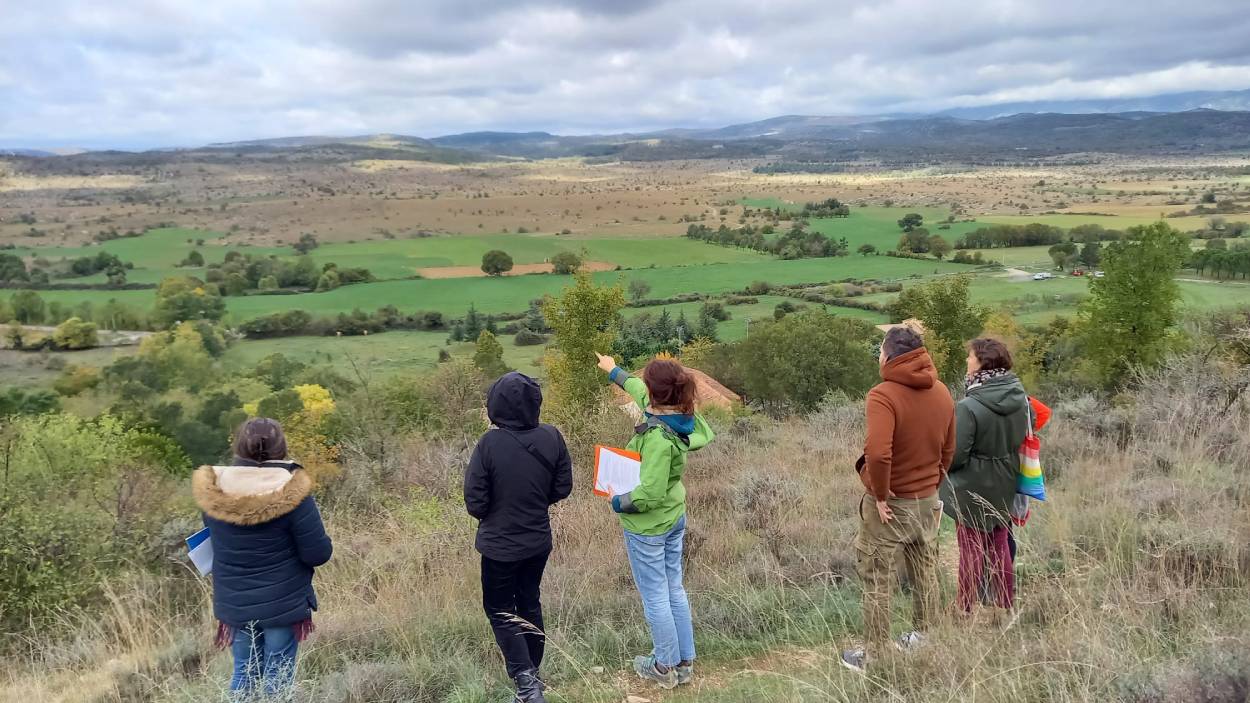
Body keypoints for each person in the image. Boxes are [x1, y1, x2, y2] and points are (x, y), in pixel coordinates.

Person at [595, 353, 714, 690]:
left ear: (656, 392)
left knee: (656, 594)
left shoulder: (660, 439)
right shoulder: (677, 415)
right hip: (674, 516)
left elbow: (649, 494)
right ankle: (684, 660)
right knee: (674, 587)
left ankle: (664, 667)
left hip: (649, 526)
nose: (642, 388)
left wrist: (617, 501)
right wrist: (613, 370)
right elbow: (638, 390)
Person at [192, 417, 332, 700]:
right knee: (277, 679)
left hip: (235, 604)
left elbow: (215, 543)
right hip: (283, 604)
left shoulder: (214, 490)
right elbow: (317, 554)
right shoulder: (293, 491)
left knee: (244, 673)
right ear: (281, 446)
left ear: (240, 446)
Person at [842, 326, 954, 673]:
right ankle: (926, 636)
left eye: (879, 352)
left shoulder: (883, 395)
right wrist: (933, 483)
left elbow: (878, 453)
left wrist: (879, 493)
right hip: (927, 497)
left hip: (892, 504)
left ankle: (874, 654)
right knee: (925, 569)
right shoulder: (942, 391)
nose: (878, 358)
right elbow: (949, 448)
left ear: (889, 356)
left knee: (877, 574)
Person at [465, 372, 574, 703]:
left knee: (500, 608)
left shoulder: (488, 445)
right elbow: (562, 487)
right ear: (535, 402)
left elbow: (475, 503)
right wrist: (535, 502)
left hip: (499, 547)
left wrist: (498, 514)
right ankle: (534, 676)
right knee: (529, 602)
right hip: (538, 540)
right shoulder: (552, 437)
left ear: (495, 405)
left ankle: (526, 683)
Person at [940, 338, 1031, 615]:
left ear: (982, 362)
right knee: (1000, 543)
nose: (967, 361)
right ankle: (1002, 604)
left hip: (973, 487)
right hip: (1005, 481)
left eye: (970, 357)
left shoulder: (969, 405)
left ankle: (965, 608)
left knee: (970, 549)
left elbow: (956, 456)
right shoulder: (1019, 398)